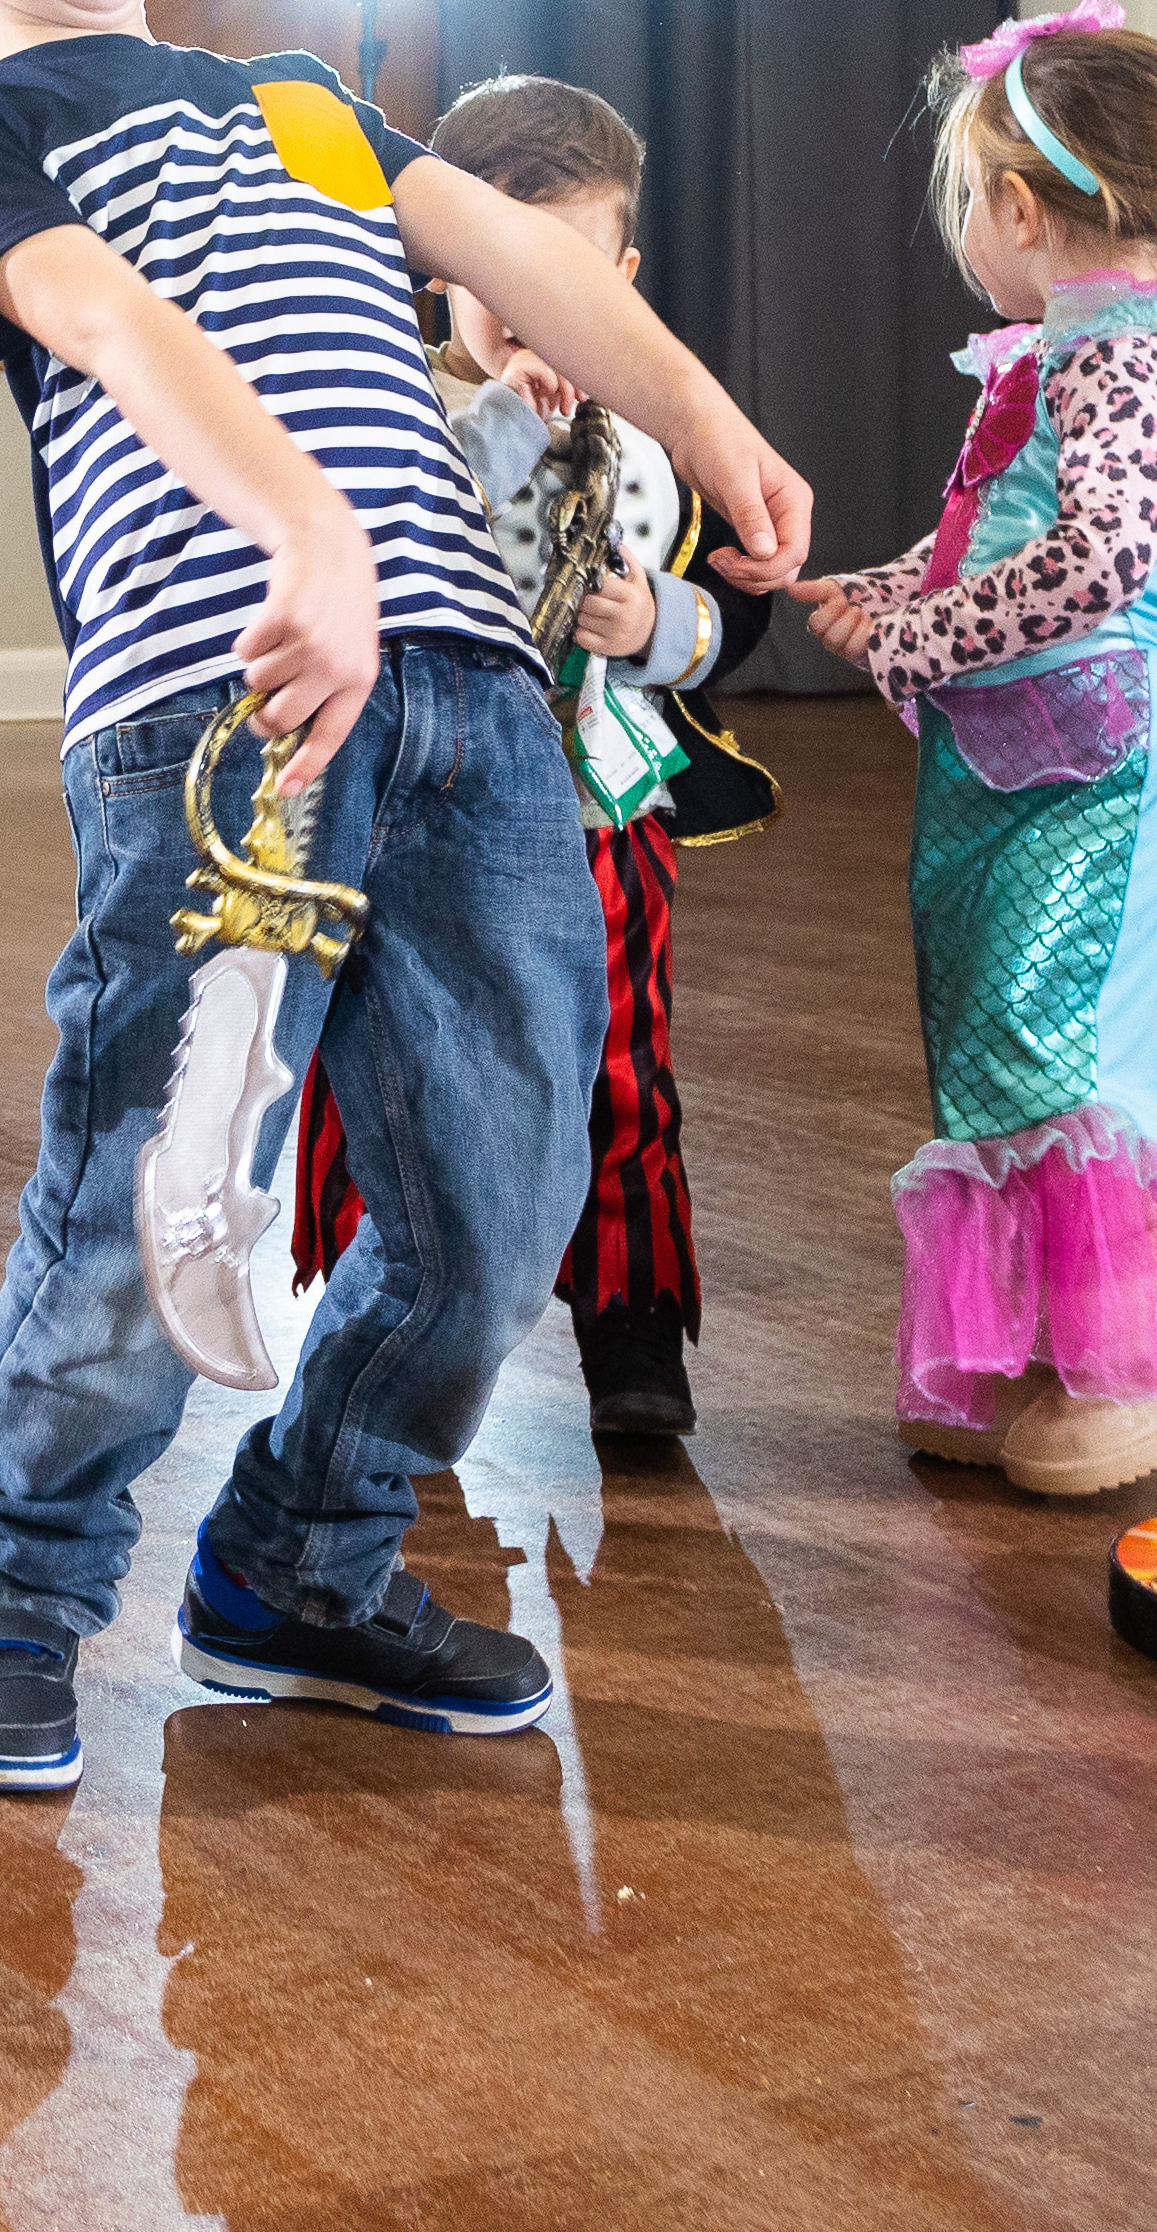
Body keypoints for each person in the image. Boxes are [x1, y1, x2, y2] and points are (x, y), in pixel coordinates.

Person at [0, 0, 810, 1796]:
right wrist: (302, 519)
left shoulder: (294, 97)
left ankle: (300, 1555)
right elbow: (107, 322)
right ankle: (15, 1595)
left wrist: (706, 419)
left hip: (473, 698)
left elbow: (515, 262)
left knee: (501, 1186)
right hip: (229, 702)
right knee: (156, 1186)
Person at [796, 2, 1157, 1498]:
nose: (966, 219)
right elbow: (1005, 534)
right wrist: (896, 590)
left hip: (1104, 759)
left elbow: (1094, 569)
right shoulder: (1076, 349)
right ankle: (1075, 1340)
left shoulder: (1138, 357)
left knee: (1060, 1045)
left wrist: (915, 638)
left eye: (968, 193)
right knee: (1001, 1040)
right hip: (1031, 753)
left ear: (1020, 208)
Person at [358, 72, 763, 1447]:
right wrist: (500, 426)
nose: (536, 324)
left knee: (623, 1072)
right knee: (423, 1078)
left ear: (623, 279)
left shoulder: (666, 432)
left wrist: (668, 625)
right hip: (433, 813)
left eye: (570, 283)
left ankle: (634, 1333)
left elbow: (736, 609)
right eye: (499, 286)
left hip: (603, 812)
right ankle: (399, 1347)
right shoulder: (400, 416)